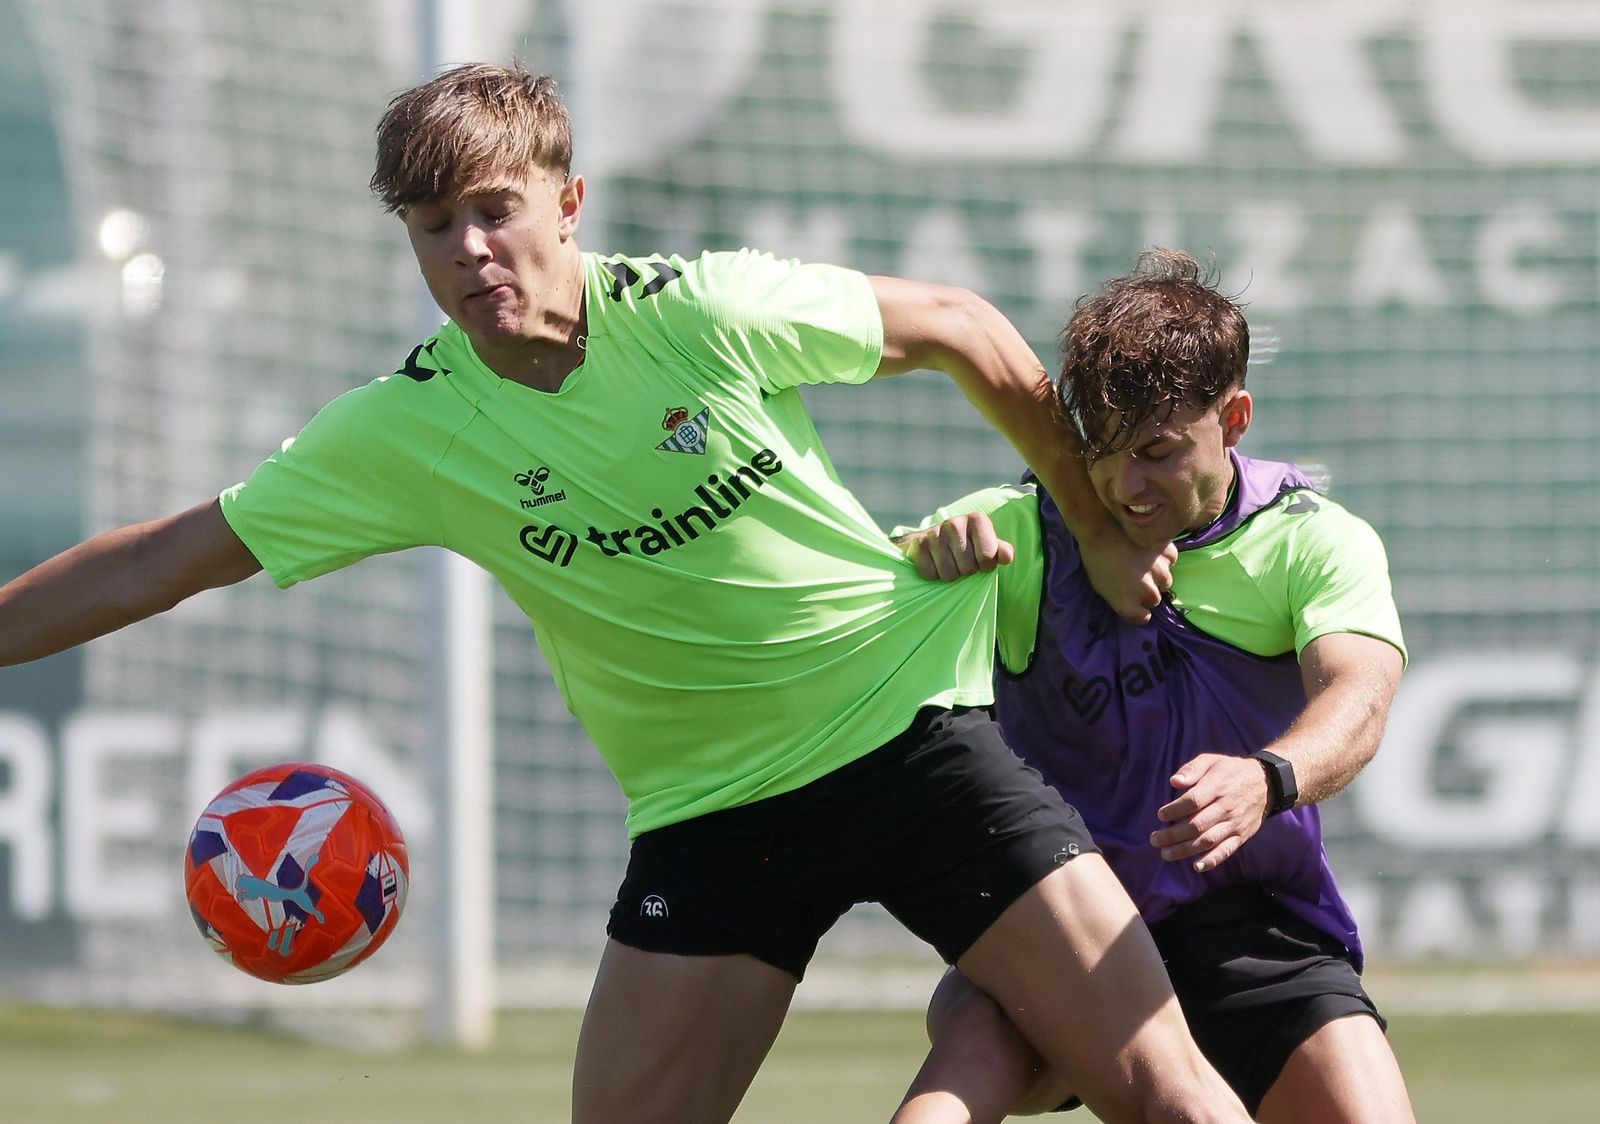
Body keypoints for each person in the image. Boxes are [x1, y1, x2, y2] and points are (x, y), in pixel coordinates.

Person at [0, 65, 1248, 1124]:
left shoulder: (699, 311)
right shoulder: (403, 429)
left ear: (568, 201)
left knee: (1166, 1090)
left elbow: (963, 326)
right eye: (435, 225)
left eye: (496, 208)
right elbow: (167, 556)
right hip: (712, 815)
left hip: (911, 737)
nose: (472, 248)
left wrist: (1089, 522)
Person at [893, 249, 1415, 1123]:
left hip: (1253, 929)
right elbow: (889, 585)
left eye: (1159, 452)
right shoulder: (1022, 533)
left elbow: (1359, 694)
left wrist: (1266, 777)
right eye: (1100, 452)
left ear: (1235, 417)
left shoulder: (1313, 540)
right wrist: (928, 557)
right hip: (1067, 927)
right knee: (964, 1068)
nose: (1124, 486)